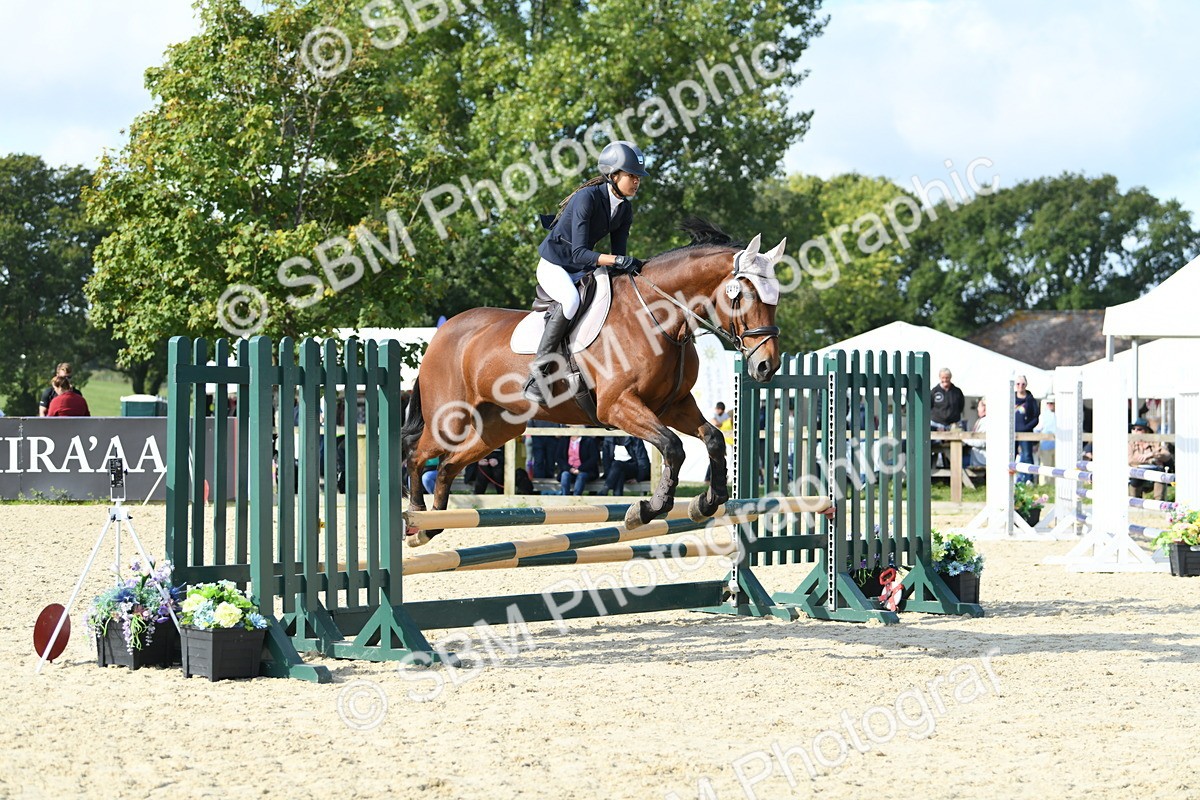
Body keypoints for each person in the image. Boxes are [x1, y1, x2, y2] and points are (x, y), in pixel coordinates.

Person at [523, 140, 649, 405]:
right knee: (570, 301)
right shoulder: (587, 198)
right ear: (613, 175)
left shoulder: (624, 209)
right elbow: (579, 253)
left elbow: (619, 254)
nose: (636, 182)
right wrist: (617, 260)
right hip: (555, 265)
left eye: (638, 177)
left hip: (580, 268)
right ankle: (539, 372)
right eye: (632, 176)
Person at [1128, 418, 1173, 499]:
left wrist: (1151, 454)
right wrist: (1151, 460)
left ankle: (1159, 504)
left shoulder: (1155, 442)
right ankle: (1134, 506)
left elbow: (1167, 455)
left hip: (1154, 474)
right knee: (1134, 482)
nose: (1135, 431)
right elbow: (1129, 460)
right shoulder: (1130, 444)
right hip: (1137, 475)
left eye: (1139, 429)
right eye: (1133, 429)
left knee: (1161, 475)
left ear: (1146, 431)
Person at [1013, 375, 1039, 484]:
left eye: (1023, 384)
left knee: (1027, 455)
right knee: (1011, 455)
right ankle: (1012, 478)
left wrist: (1027, 427)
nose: (1020, 386)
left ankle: (1029, 479)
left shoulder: (1030, 399)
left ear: (1026, 385)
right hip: (1012, 432)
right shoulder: (1011, 398)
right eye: (1018, 384)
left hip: (1026, 432)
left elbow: (1036, 417)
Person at [1034, 395, 1057, 483]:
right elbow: (1037, 429)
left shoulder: (1060, 415)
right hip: (1045, 445)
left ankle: (1053, 486)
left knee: (1055, 467)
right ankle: (1044, 485)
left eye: (1052, 403)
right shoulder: (1043, 415)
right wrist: (1036, 443)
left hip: (1058, 445)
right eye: (1049, 403)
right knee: (1045, 467)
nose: (1050, 405)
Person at [965, 397, 988, 467]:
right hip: (977, 456)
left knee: (957, 463)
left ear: (984, 408)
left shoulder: (986, 421)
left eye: (979, 406)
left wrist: (963, 439)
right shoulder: (982, 420)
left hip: (982, 459)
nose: (977, 409)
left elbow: (982, 442)